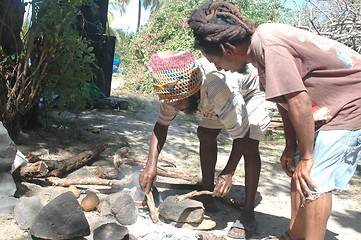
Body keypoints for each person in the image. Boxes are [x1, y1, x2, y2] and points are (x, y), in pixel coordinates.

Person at [188, 1, 361, 240]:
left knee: (314, 179)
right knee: (298, 173)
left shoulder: (268, 44)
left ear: (228, 50)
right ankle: (293, 236)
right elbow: (285, 102)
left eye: (217, 62)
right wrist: (291, 147)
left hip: (352, 102)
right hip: (327, 108)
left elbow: (299, 101)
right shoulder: (258, 54)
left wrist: (308, 157)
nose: (220, 68)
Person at [138, 50, 276, 239]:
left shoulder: (217, 88)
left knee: (250, 143)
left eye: (179, 104)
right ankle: (208, 196)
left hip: (253, 92)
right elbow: (161, 125)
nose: (175, 108)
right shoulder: (173, 89)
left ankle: (248, 215)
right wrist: (150, 165)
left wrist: (228, 173)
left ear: (193, 94)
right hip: (222, 98)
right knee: (205, 133)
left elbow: (242, 134)